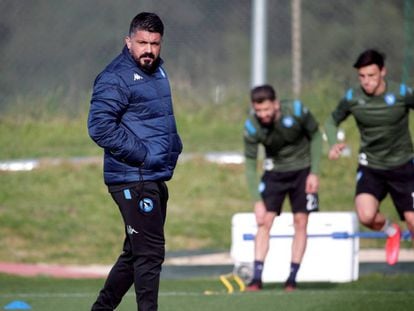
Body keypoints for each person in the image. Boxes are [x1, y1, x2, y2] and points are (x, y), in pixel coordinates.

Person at [87, 12, 182, 310]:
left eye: (155, 43)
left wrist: (173, 148)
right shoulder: (115, 77)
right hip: (132, 177)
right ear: (128, 42)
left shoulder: (158, 70)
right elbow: (100, 126)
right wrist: (144, 154)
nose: (149, 50)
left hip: (152, 175)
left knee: (136, 253)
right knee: (150, 254)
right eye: (142, 42)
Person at [324, 49, 414, 266]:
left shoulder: (402, 93)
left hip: (402, 166)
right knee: (366, 215)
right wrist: (334, 142)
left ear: (382, 72)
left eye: (371, 76)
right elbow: (331, 120)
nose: (367, 82)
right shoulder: (353, 97)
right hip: (371, 166)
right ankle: (392, 232)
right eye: (362, 77)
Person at [243, 84, 322, 291]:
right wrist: (257, 200)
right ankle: (257, 279)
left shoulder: (295, 111)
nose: (263, 114)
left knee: (300, 221)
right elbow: (250, 164)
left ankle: (292, 279)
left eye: (266, 109)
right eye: (258, 110)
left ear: (276, 104)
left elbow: (315, 135)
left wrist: (315, 171)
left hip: (303, 170)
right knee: (264, 221)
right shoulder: (252, 126)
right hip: (275, 173)